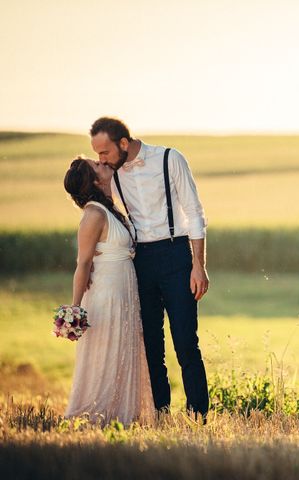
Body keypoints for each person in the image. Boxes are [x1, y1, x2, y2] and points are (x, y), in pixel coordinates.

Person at [90, 117, 210, 420]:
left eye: (104, 153)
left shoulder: (171, 159)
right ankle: (161, 413)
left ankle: (198, 414)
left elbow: (195, 213)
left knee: (185, 341)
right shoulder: (113, 175)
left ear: (124, 144)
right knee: (151, 345)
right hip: (139, 261)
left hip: (176, 255)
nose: (101, 160)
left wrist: (199, 265)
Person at [63, 157, 154, 426]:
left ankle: (122, 415)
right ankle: (97, 415)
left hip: (124, 291)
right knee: (107, 353)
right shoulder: (94, 214)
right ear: (94, 180)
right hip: (107, 294)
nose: (104, 164)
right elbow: (83, 263)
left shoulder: (109, 208)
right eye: (98, 165)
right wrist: (75, 308)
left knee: (123, 349)